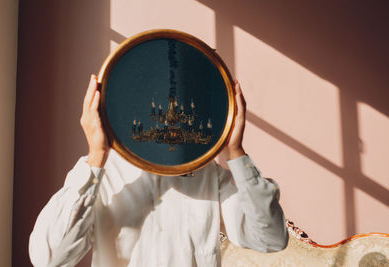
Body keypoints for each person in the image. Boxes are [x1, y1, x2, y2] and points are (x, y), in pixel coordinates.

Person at [29, 75, 288, 267]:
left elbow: (271, 238)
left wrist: (235, 151)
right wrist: (97, 155)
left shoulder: (210, 175)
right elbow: (48, 258)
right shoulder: (98, 173)